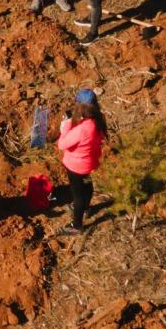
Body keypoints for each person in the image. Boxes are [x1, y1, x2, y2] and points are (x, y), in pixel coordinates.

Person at [56, 89, 107, 235]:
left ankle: (76, 225)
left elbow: (62, 144)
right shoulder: (98, 119)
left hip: (76, 166)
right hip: (90, 162)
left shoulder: (83, 129)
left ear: (79, 105)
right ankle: (86, 208)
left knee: (77, 195)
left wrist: (65, 127)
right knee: (88, 186)